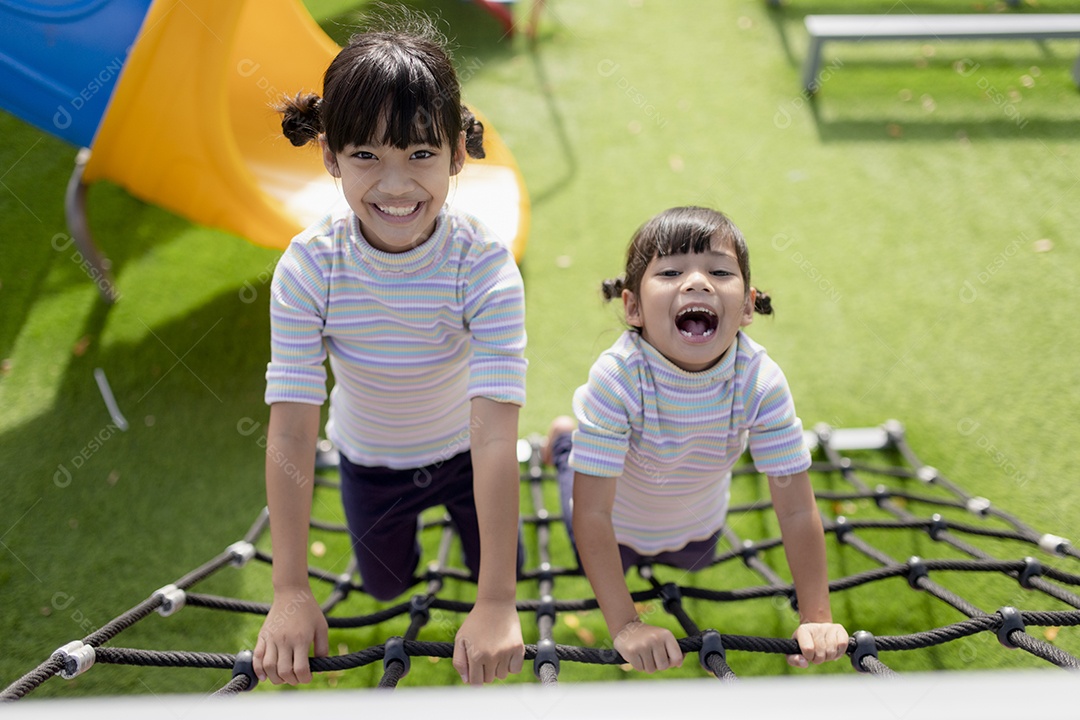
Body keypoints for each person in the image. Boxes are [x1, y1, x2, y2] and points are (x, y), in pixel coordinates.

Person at [251, 11, 527, 687]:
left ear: (458, 156)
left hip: (468, 455)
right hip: (371, 463)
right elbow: (291, 425)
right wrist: (290, 588)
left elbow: (494, 436)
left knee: (500, 564)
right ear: (330, 157)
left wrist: (496, 600)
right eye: (368, 156)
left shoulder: (483, 265)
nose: (397, 184)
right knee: (383, 586)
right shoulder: (310, 267)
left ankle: (496, 563)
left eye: (421, 155)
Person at [547, 206, 848, 673]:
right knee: (584, 533)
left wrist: (817, 616)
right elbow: (591, 512)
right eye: (670, 271)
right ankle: (566, 442)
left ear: (747, 306)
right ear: (633, 308)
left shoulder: (759, 381)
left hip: (698, 527)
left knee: (698, 561)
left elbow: (794, 506)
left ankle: (576, 443)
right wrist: (626, 625)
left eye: (719, 271)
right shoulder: (618, 378)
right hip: (612, 524)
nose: (696, 282)